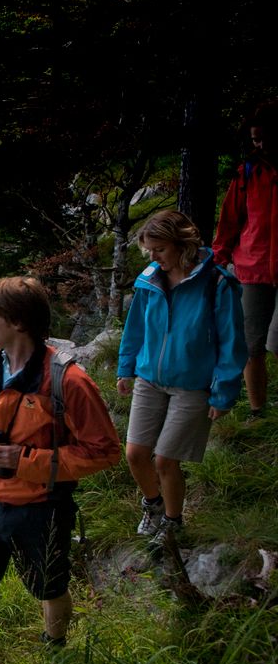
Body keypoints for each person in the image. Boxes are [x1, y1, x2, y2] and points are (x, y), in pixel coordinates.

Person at [0, 277, 120, 664]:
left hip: (42, 509)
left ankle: (54, 654)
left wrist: (26, 460)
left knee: (50, 588)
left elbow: (105, 451)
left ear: (17, 323)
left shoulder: (67, 380)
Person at [117, 210, 247, 547]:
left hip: (192, 385)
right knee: (134, 454)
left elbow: (233, 342)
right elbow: (135, 329)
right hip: (149, 379)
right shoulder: (149, 280)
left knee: (165, 459)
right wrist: (125, 368)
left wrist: (223, 393)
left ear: (182, 246)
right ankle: (154, 506)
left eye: (159, 249)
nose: (153, 256)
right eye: (150, 250)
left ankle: (174, 523)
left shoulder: (217, 284)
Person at [212, 105, 278, 419]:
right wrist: (219, 258)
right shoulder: (248, 172)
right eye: (255, 139)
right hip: (253, 268)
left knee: (275, 342)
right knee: (252, 346)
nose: (260, 145)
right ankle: (258, 411)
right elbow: (229, 221)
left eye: (264, 138)